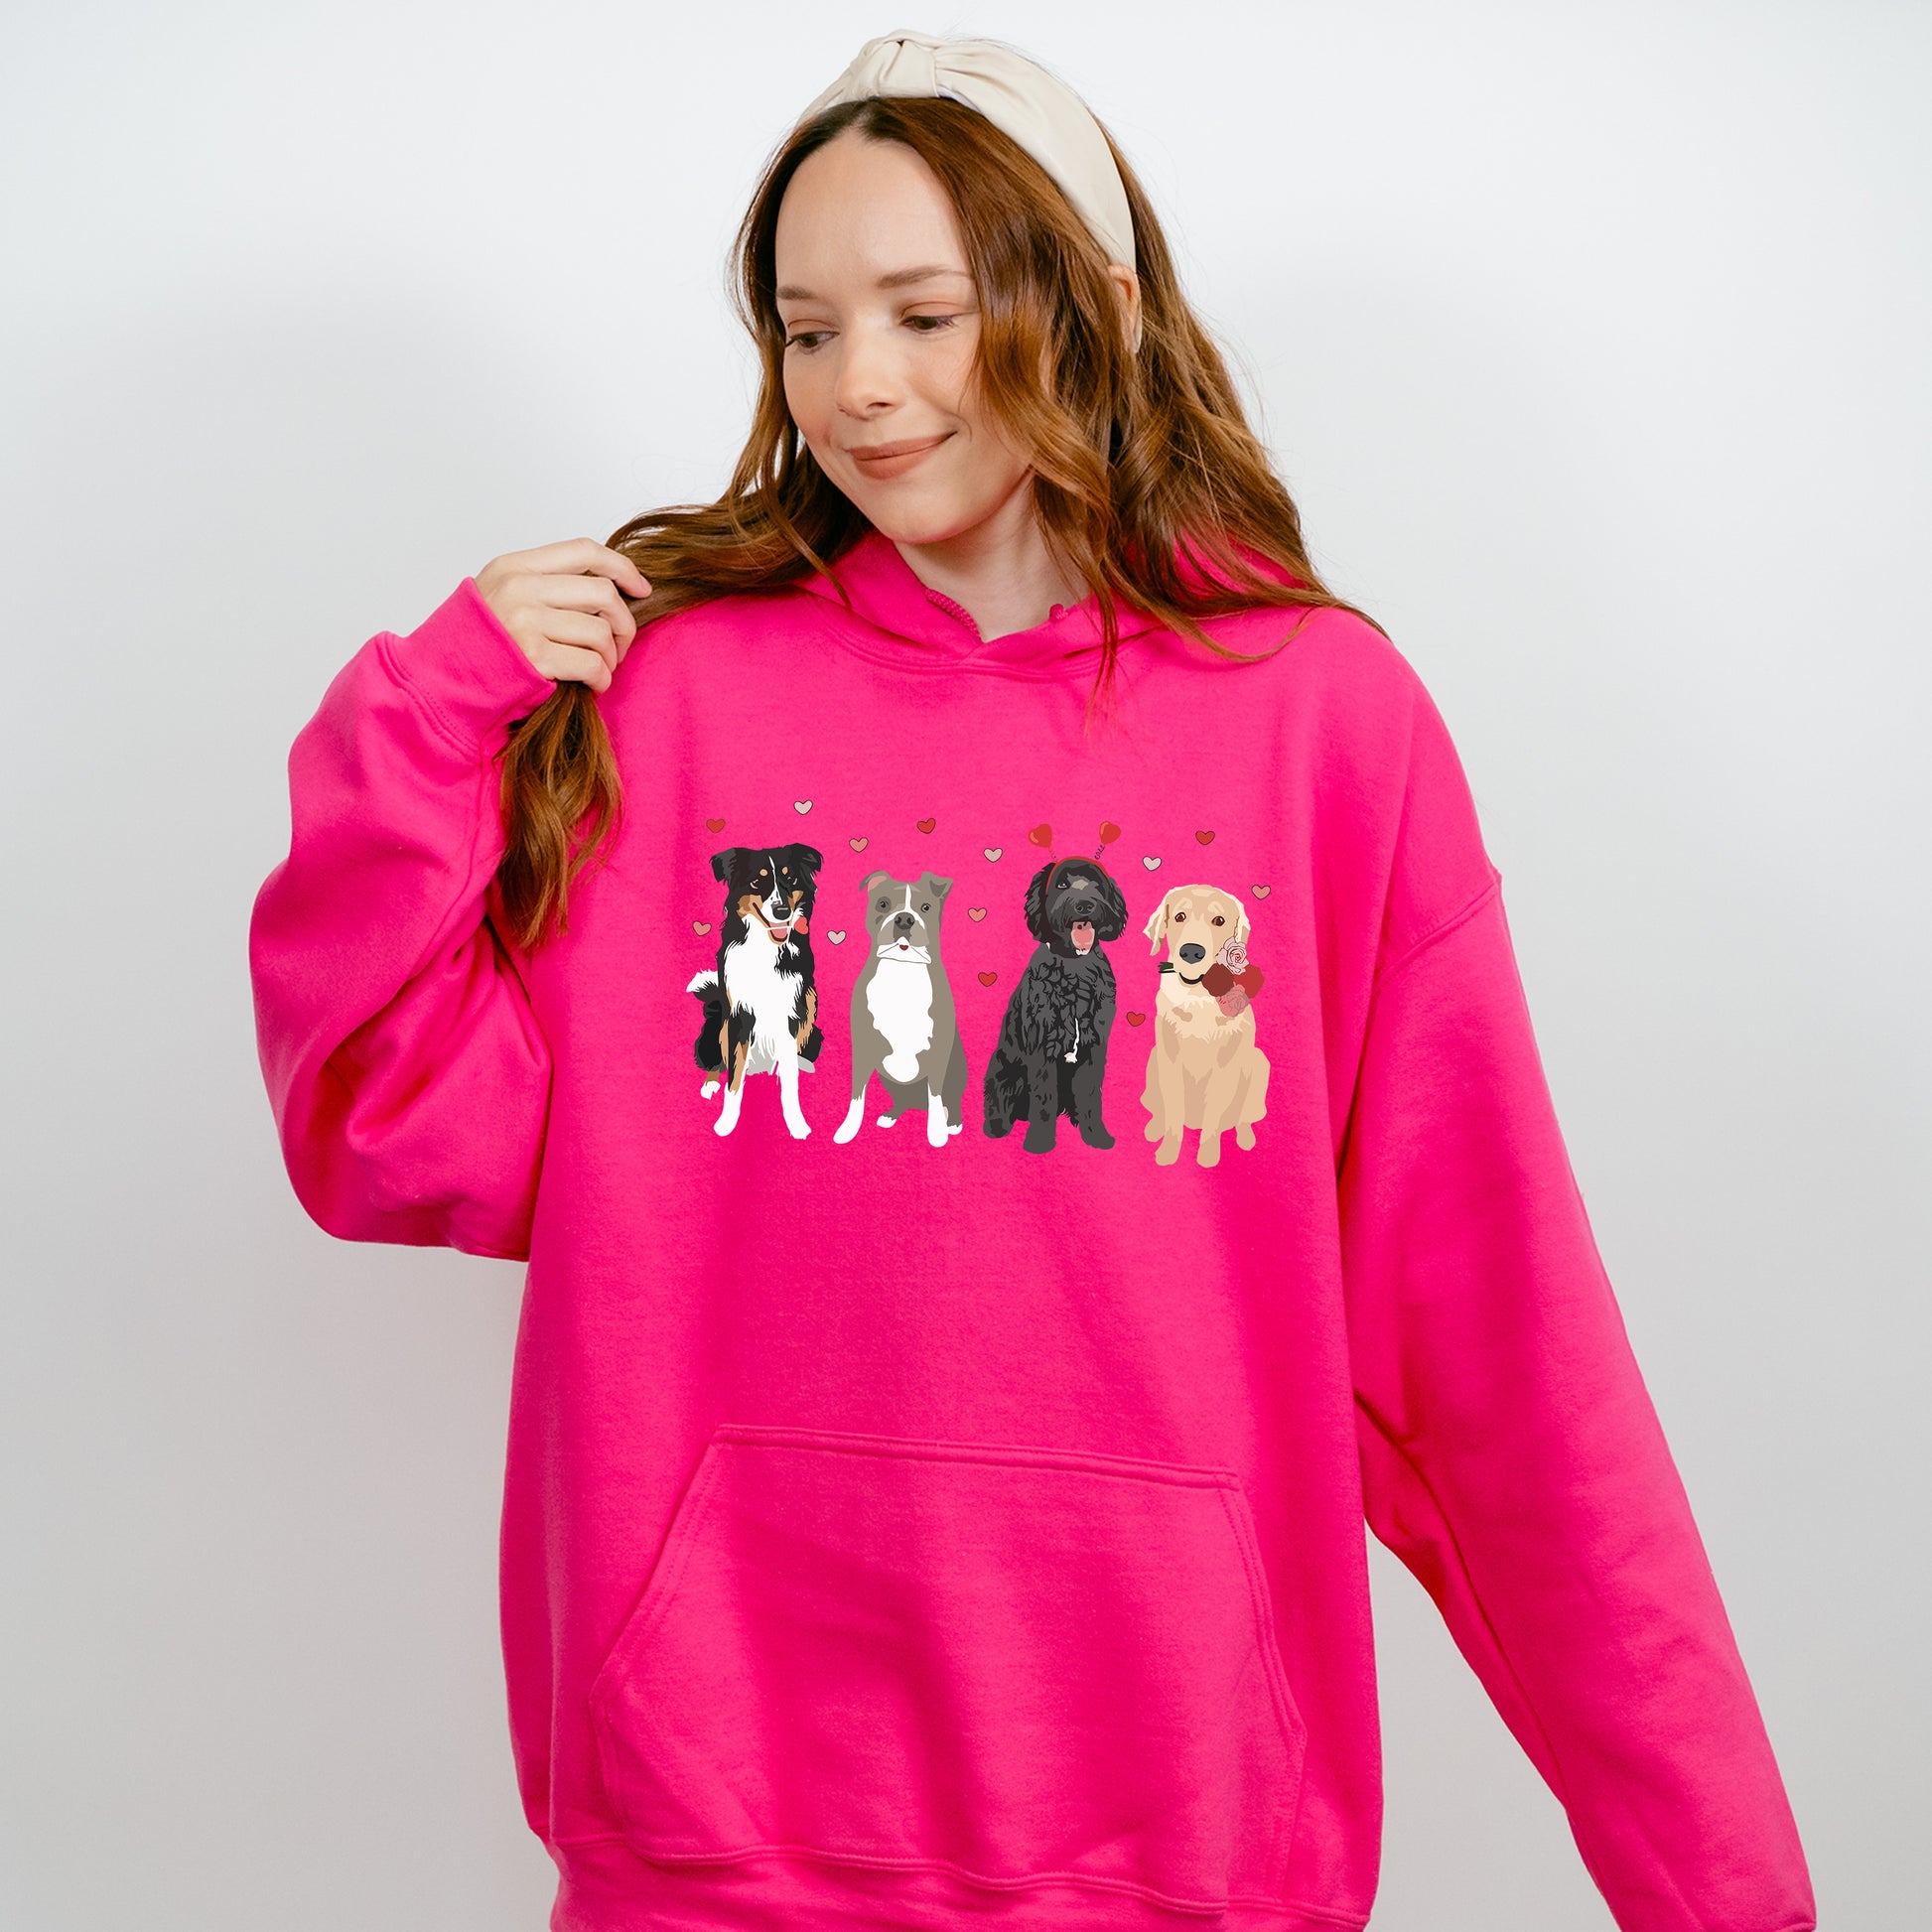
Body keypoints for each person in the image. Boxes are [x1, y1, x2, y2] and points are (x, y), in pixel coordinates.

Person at [248, 29, 1815, 1932]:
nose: (857, 383)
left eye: (924, 312)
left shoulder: (1318, 724)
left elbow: (1504, 1362)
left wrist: (1723, 1887)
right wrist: (424, 723)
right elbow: (393, 1132)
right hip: (717, 1827)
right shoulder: (679, 702)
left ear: (1092, 307)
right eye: (806, 328)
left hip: (1176, 1837)